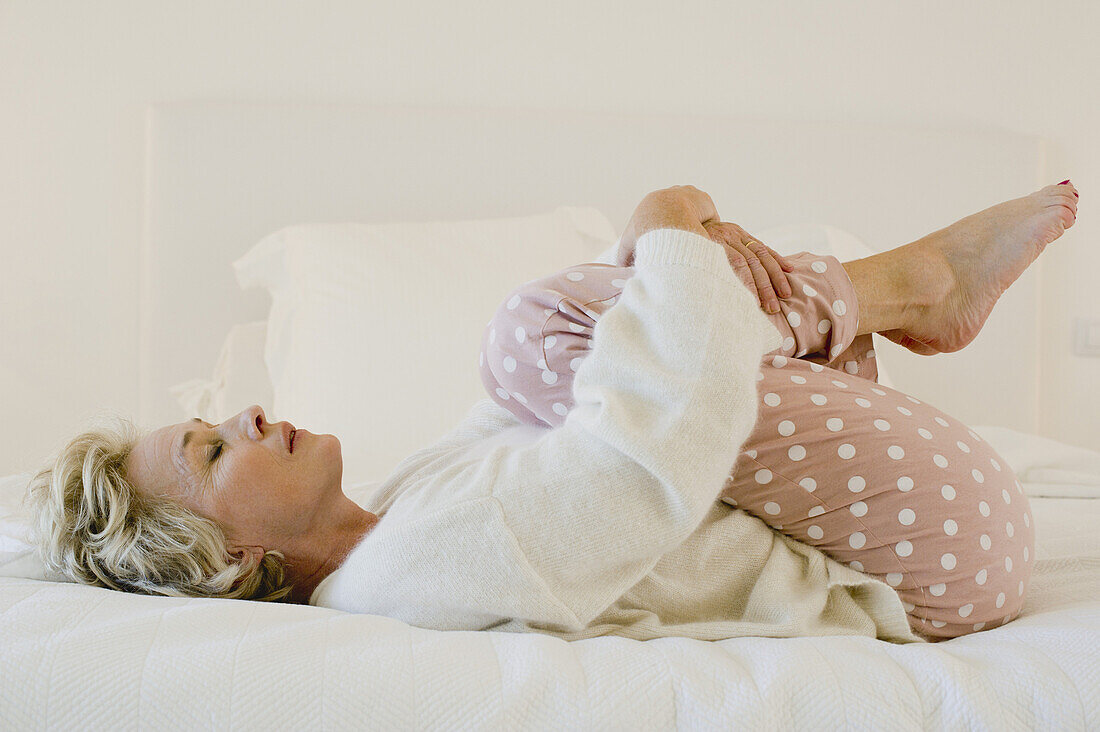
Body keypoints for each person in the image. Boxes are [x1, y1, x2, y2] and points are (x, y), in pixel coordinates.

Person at [23, 181, 1079, 644]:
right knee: (536, 330)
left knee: (539, 347)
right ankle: (902, 289)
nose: (247, 415)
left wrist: (660, 264)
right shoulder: (419, 566)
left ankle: (895, 291)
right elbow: (647, 455)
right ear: (223, 558)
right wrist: (666, 227)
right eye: (211, 451)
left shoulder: (401, 520)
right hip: (932, 552)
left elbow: (550, 411)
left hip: (922, 533)